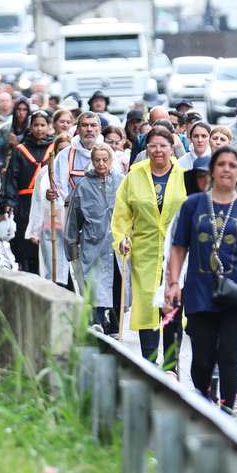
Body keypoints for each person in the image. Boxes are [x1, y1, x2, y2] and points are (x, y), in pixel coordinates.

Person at [165, 146, 237, 415]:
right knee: (202, 357)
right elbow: (178, 247)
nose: (226, 169)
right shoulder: (192, 206)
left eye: (232, 165)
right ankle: (204, 399)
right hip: (200, 290)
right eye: (221, 164)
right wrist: (173, 283)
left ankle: (227, 405)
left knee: (229, 354)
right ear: (212, 171)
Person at [112, 126, 187, 369]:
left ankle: (172, 367)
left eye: (163, 145)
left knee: (172, 306)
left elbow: (193, 210)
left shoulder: (184, 175)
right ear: (146, 149)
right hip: (144, 250)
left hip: (176, 251)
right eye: (153, 146)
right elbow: (122, 214)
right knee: (147, 307)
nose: (158, 151)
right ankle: (150, 365)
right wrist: (122, 238)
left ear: (171, 147)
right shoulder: (134, 176)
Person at [64, 143, 124, 334]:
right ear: (92, 161)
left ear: (111, 160)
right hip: (93, 243)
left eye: (104, 160)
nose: (101, 163)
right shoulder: (83, 185)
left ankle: (115, 325)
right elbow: (73, 218)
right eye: (97, 160)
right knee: (95, 284)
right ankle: (97, 322)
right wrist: (71, 245)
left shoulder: (121, 182)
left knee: (116, 283)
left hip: (117, 243)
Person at [0, 110, 55, 274]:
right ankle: (26, 266)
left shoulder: (54, 148)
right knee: (24, 233)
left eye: (43, 125)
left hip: (46, 201)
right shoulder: (20, 150)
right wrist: (9, 201)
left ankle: (44, 267)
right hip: (25, 200)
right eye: (36, 125)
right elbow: (12, 178)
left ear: (49, 127)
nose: (39, 129)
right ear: (30, 127)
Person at [26, 134, 72, 287]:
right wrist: (34, 229)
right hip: (51, 228)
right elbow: (37, 201)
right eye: (60, 150)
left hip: (72, 228)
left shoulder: (79, 170)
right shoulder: (45, 173)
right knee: (55, 273)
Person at [48, 112, 103, 205]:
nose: (89, 129)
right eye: (85, 125)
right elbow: (58, 187)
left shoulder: (108, 153)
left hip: (101, 211)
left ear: (100, 129)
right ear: (77, 129)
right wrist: (52, 195)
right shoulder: (65, 155)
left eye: (93, 125)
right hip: (72, 211)